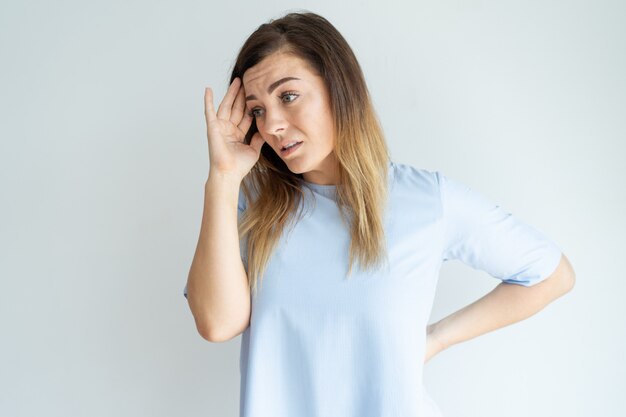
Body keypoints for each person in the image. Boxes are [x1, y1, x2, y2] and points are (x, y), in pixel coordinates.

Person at [183, 11, 576, 417]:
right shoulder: (251, 203)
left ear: (339, 87)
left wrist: (437, 338)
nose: (274, 125)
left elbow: (551, 274)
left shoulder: (427, 202)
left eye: (287, 96)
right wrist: (223, 178)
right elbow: (217, 324)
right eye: (258, 110)